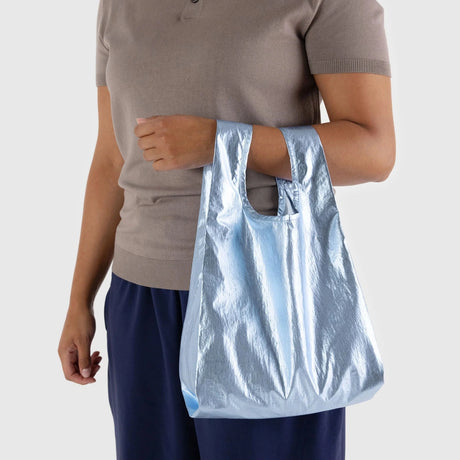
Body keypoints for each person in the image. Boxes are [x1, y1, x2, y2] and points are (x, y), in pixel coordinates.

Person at [58, 0, 395, 458]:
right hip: (141, 298)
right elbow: (110, 159)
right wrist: (80, 300)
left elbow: (374, 149)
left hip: (265, 296)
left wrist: (225, 142)